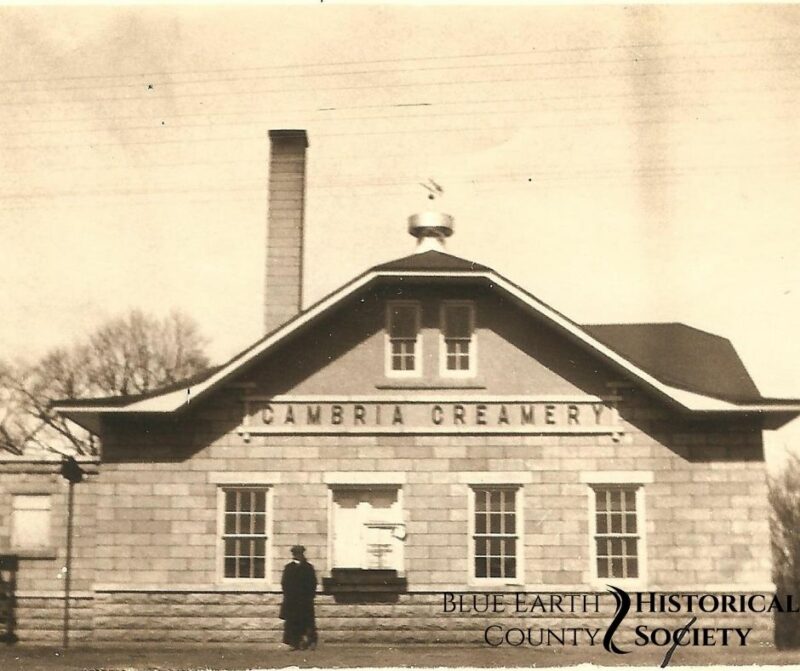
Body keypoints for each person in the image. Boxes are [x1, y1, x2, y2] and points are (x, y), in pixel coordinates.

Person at [279, 545, 318, 650]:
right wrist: (290, 596)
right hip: (292, 601)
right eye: (296, 554)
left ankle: (308, 642)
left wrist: (309, 596)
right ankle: (293, 643)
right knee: (292, 622)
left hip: (305, 600)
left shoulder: (308, 567)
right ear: (293, 555)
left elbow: (313, 583)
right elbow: (284, 583)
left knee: (307, 622)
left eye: (300, 553)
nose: (298, 556)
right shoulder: (289, 568)